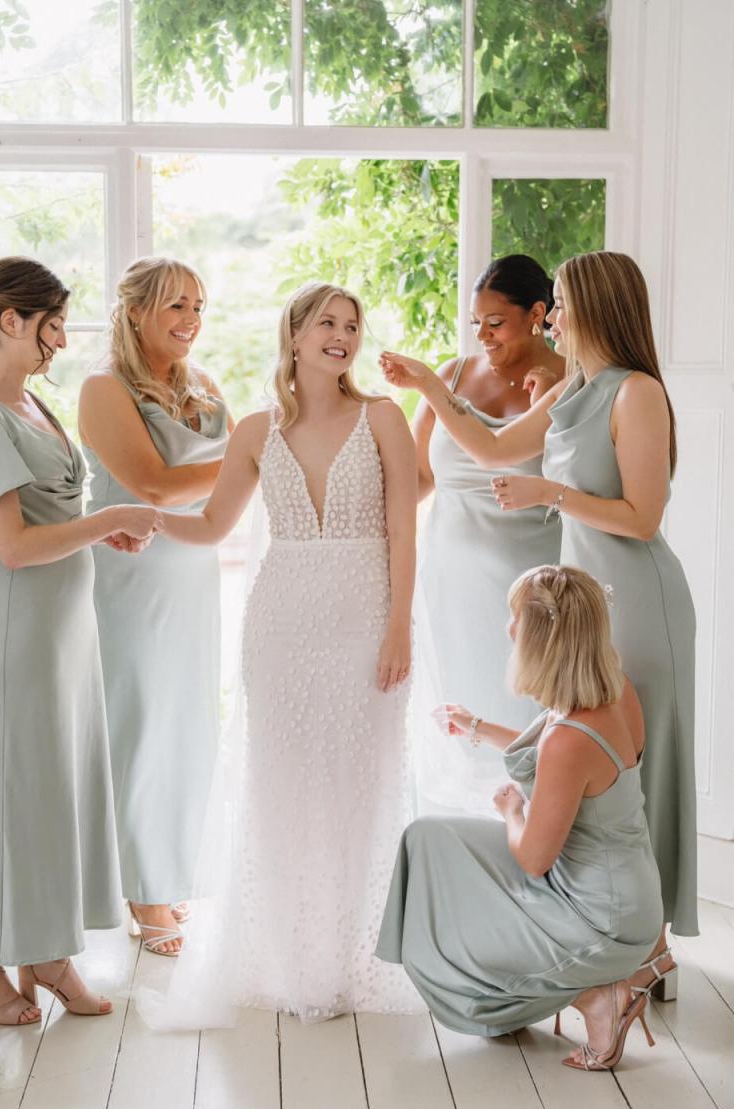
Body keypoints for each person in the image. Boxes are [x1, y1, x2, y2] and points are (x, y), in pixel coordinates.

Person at [380, 250, 697, 971]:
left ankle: (654, 943)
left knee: (644, 766)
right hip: (590, 601)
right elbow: (491, 447)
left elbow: (644, 518)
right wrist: (430, 382)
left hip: (640, 601)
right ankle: (611, 927)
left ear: (595, 306)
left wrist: (550, 496)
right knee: (594, 756)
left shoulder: (637, 392)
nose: (551, 315)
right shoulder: (577, 387)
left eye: (560, 302)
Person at [145, 282, 423, 1025]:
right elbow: (209, 525)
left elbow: (404, 531)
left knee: (359, 789)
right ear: (294, 335)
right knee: (284, 789)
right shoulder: (255, 431)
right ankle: (288, 960)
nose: (342, 335)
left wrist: (400, 627)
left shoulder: (385, 419)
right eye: (326, 323)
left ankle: (353, 960)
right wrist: (144, 518)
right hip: (282, 626)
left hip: (365, 620)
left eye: (352, 325)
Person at [0, 257, 162, 1024]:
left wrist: (102, 538)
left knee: (59, 793)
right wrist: (107, 521)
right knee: (18, 796)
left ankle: (46, 952)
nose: (62, 341)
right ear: (11, 322)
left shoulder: (34, 402)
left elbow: (52, 528)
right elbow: (10, 547)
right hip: (17, 629)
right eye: (53, 325)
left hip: (66, 627)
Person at [377, 565, 665, 1072]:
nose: (508, 628)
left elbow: (532, 857)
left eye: (515, 618)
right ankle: (582, 987)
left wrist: (511, 810)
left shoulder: (570, 738)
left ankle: (597, 995)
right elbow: (566, 772)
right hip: (618, 889)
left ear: (541, 636)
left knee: (464, 918)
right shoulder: (616, 689)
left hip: (602, 919)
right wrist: (476, 728)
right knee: (429, 839)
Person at [79, 257, 231, 958]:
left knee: (187, 728)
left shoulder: (205, 386)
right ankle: (140, 889)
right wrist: (253, 456)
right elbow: (151, 485)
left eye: (198, 306)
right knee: (138, 726)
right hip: (129, 581)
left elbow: (225, 498)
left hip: (195, 575)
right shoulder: (104, 389)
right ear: (136, 311)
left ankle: (167, 875)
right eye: (176, 305)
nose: (191, 320)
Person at [413, 255, 564, 813]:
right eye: (475, 322)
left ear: (537, 314)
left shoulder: (571, 381)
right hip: (447, 585)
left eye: (494, 322)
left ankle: (530, 846)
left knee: (527, 721)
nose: (481, 335)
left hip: (534, 595)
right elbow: (415, 479)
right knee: (451, 726)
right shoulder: (451, 376)